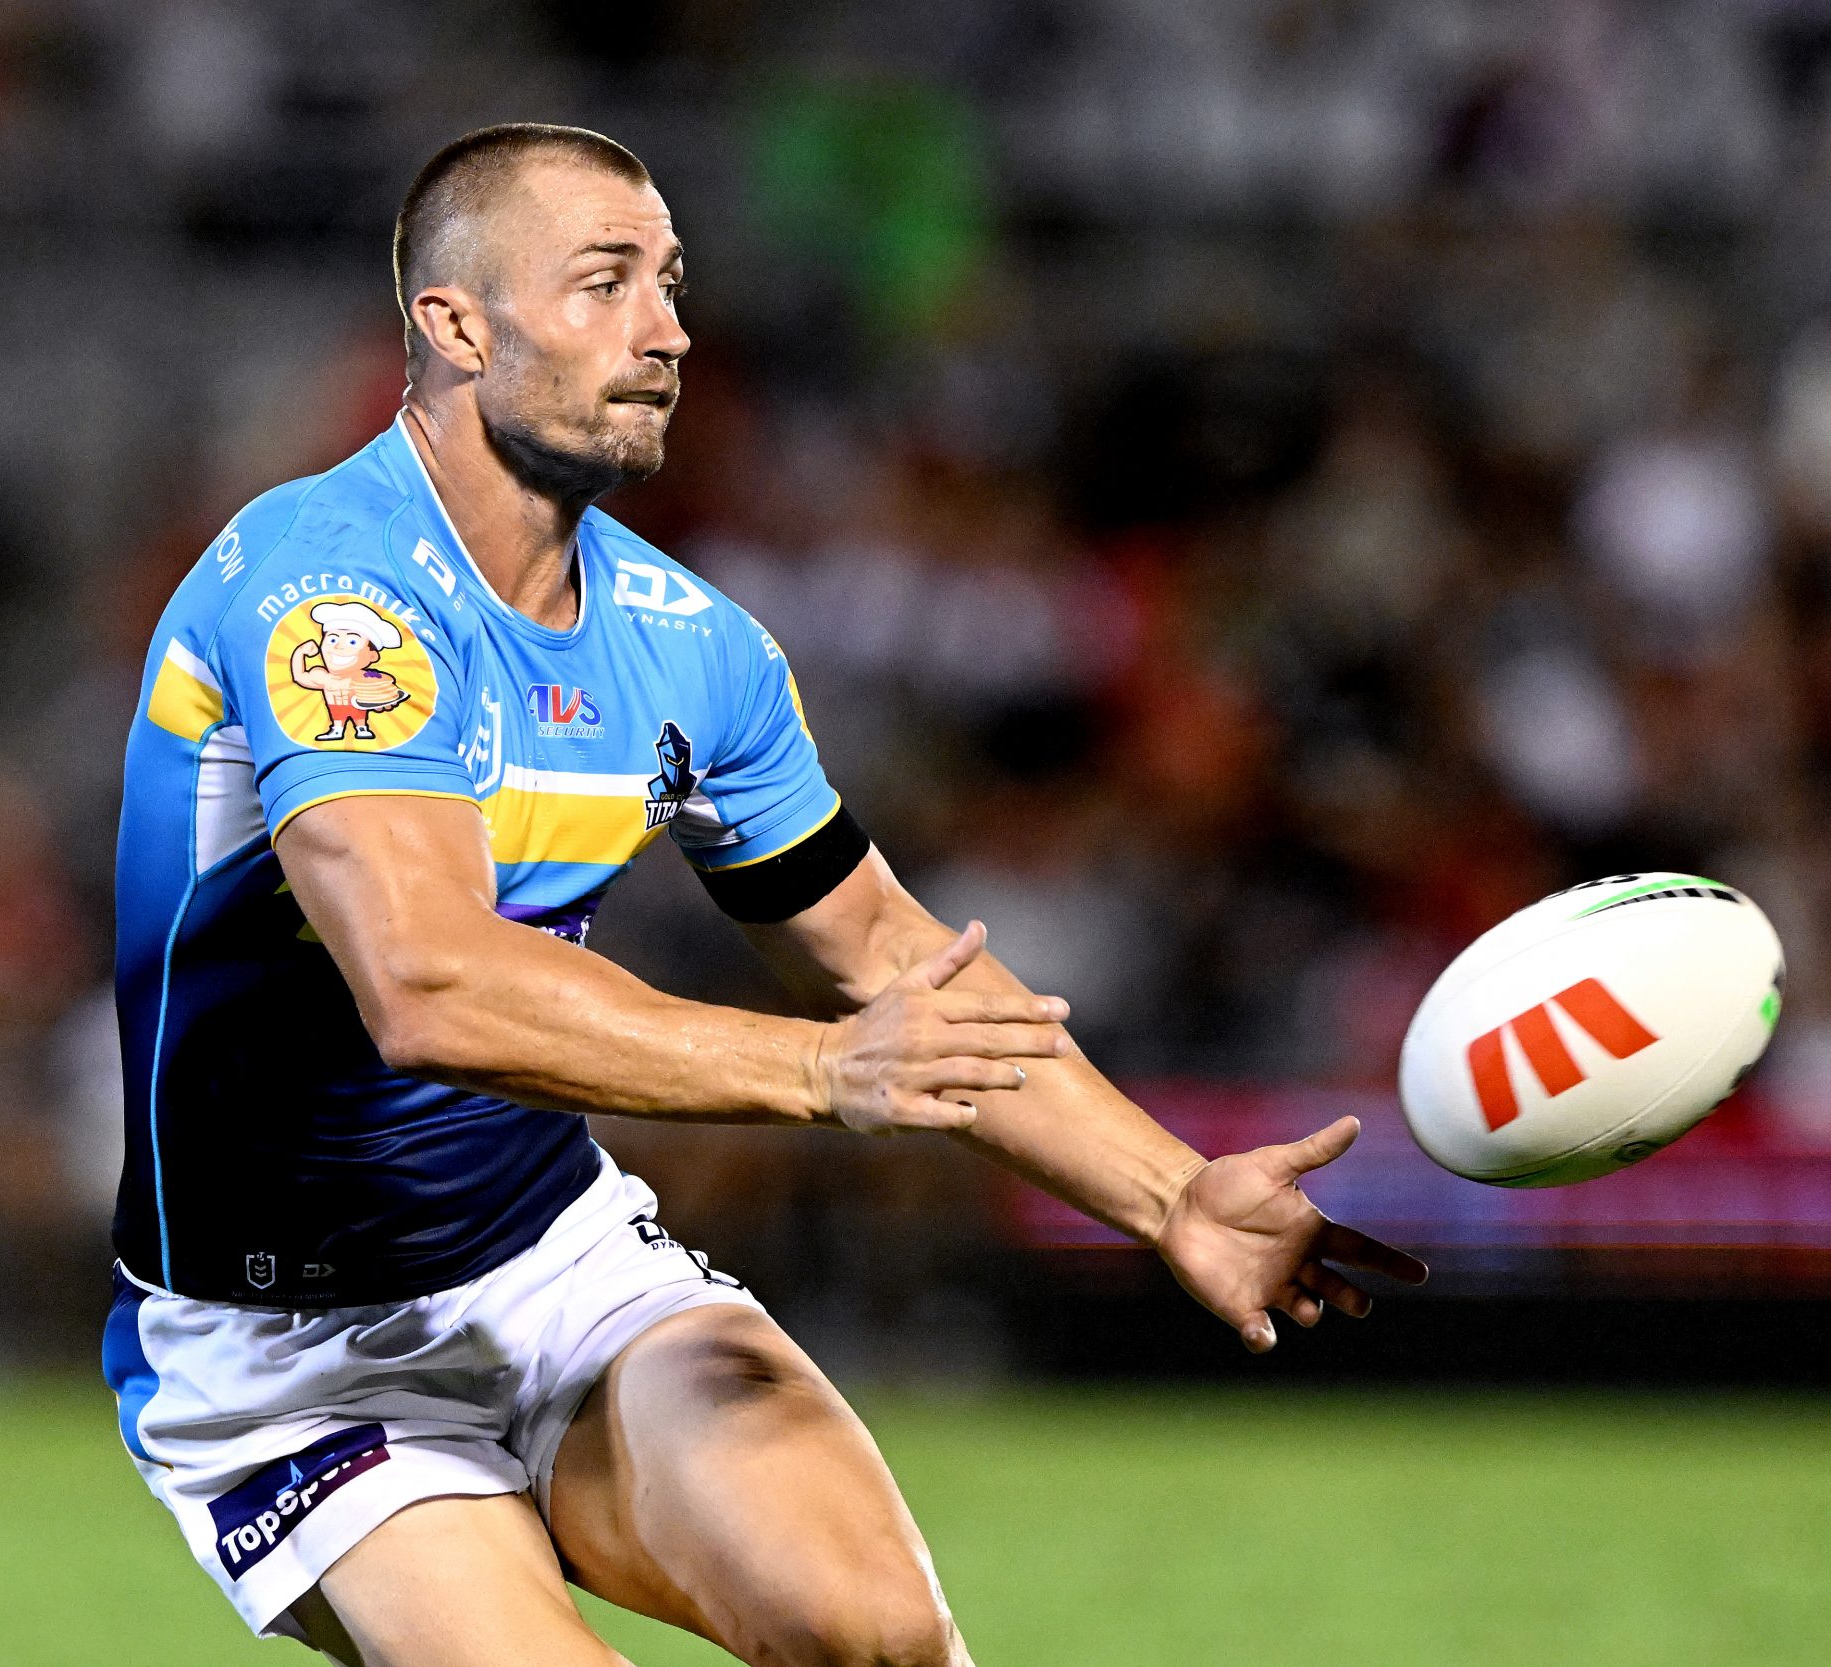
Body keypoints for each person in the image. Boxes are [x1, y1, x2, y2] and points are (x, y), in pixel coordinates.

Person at [105, 122, 1427, 1667]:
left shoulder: (697, 647)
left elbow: (887, 958)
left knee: (881, 1643)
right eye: (606, 285)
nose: (667, 331)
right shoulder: (330, 588)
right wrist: (816, 1073)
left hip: (552, 1266)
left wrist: (1167, 1194)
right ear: (454, 324)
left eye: (671, 285)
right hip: (290, 1354)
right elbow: (428, 984)